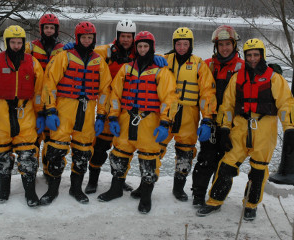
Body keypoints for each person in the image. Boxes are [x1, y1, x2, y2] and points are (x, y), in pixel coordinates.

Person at [64, 19, 168, 194]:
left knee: (122, 149)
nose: (126, 40)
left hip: (128, 108)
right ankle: (93, 180)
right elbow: (85, 50)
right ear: (117, 36)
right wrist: (70, 47)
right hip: (108, 104)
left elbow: (160, 61)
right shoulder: (106, 52)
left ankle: (120, 181)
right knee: (100, 147)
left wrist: (161, 58)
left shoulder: (141, 52)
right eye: (123, 36)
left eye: (129, 37)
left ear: (133, 37)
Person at [196, 38, 294, 221]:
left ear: (262, 55)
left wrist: (289, 129)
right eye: (249, 55)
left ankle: (251, 205)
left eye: (256, 55)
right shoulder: (237, 78)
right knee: (226, 164)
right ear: (245, 56)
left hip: (265, 128)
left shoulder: (274, 78)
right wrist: (225, 128)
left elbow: (286, 104)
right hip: (241, 126)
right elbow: (227, 105)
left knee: (258, 170)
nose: (253, 58)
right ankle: (214, 200)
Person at [130, 27, 217, 203]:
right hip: (165, 114)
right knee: (154, 150)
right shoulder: (163, 60)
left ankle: (178, 188)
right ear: (173, 44)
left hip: (188, 114)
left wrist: (207, 119)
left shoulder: (199, 64)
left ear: (191, 45)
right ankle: (146, 184)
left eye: (186, 44)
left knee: (185, 153)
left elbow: (207, 93)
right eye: (178, 44)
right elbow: (144, 62)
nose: (182, 47)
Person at [97, 31, 177, 214]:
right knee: (118, 154)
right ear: (136, 48)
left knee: (149, 159)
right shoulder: (127, 69)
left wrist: (165, 123)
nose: (142, 50)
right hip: (126, 118)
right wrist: (113, 116)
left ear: (151, 48)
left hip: (149, 120)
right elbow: (115, 94)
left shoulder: (161, 71)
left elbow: (169, 99)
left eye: (145, 46)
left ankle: (146, 195)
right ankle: (116, 189)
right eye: (139, 46)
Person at [39, 21, 112, 205]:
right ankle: (53, 189)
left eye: (90, 38)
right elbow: (49, 84)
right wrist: (51, 110)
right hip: (64, 110)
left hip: (87, 112)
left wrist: (101, 115)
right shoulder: (64, 57)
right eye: (83, 37)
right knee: (55, 151)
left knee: (83, 152)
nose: (87, 41)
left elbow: (105, 91)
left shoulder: (99, 61)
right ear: (77, 38)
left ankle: (76, 188)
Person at [0, 25, 44, 207]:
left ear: (23, 43)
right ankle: (4, 190)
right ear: (6, 43)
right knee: (2, 156)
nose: (16, 45)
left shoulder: (33, 63)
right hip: (0, 116)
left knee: (28, 156)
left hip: (25, 114)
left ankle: (30, 192)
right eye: (12, 42)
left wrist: (42, 113)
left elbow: (39, 92)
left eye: (19, 42)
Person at [191, 25, 244, 207]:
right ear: (216, 46)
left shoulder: (242, 67)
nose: (224, 48)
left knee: (226, 163)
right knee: (206, 159)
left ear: (234, 44)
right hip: (211, 121)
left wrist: (270, 71)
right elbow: (184, 65)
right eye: (221, 44)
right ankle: (198, 195)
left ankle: (217, 198)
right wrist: (162, 58)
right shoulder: (207, 65)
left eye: (228, 44)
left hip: (232, 124)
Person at [25, 13, 64, 178]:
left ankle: (49, 171)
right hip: (34, 97)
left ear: (56, 30)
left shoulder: (63, 49)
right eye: (46, 27)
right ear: (41, 29)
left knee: (51, 137)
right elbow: (14, 52)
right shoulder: (31, 47)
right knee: (34, 137)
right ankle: (31, 171)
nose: (49, 30)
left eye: (52, 28)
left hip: (54, 98)